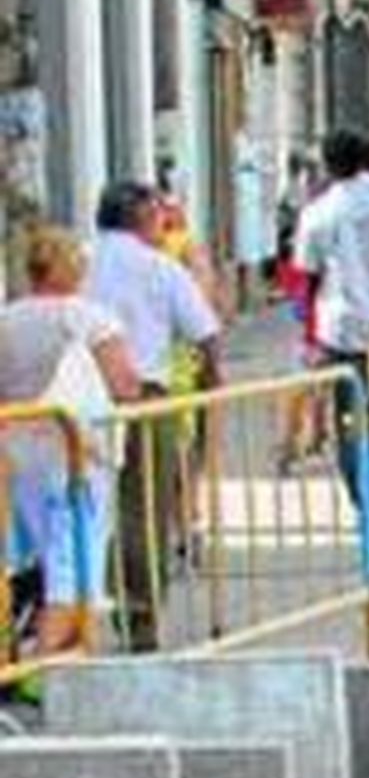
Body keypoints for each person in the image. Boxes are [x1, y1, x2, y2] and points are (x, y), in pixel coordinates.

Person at [87, 181, 223, 650]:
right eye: (156, 215)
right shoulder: (160, 268)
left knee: (79, 508)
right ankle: (140, 619)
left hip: (74, 405)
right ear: (139, 219)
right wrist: (212, 382)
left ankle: (69, 620)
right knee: (144, 509)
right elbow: (204, 331)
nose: (162, 223)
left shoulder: (80, 262)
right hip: (144, 397)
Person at [0, 227, 140, 654]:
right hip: (77, 450)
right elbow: (124, 383)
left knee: (37, 555)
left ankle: (45, 656)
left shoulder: (7, 319)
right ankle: (45, 665)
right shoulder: (89, 317)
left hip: (16, 449)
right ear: (75, 269)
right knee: (75, 562)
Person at [291, 130, 369, 507]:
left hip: (338, 328)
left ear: (328, 166)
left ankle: (361, 498)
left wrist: (308, 333)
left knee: (347, 417)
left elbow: (308, 278)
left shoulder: (317, 213)